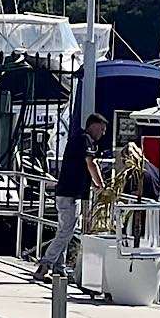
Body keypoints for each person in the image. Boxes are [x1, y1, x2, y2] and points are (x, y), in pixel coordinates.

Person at [35, 113, 107, 278]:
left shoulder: (76, 139)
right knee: (66, 232)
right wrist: (101, 185)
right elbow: (91, 163)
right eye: (101, 129)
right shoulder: (85, 140)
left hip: (66, 192)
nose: (102, 133)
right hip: (70, 194)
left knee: (64, 231)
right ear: (93, 126)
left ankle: (59, 268)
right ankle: (45, 264)